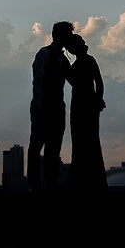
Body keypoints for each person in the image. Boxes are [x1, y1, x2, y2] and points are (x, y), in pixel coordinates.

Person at [28, 20, 73, 193]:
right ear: (59, 36)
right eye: (67, 36)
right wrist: (39, 105)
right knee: (37, 145)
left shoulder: (62, 58)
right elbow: (38, 80)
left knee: (54, 147)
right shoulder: (44, 54)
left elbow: (72, 79)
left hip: (57, 107)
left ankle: (51, 183)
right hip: (44, 106)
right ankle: (35, 185)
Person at [65, 33, 107, 192]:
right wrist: (98, 99)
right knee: (86, 141)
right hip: (84, 104)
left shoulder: (87, 61)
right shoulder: (85, 61)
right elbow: (98, 82)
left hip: (83, 105)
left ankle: (84, 182)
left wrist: (98, 99)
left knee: (85, 141)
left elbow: (98, 81)